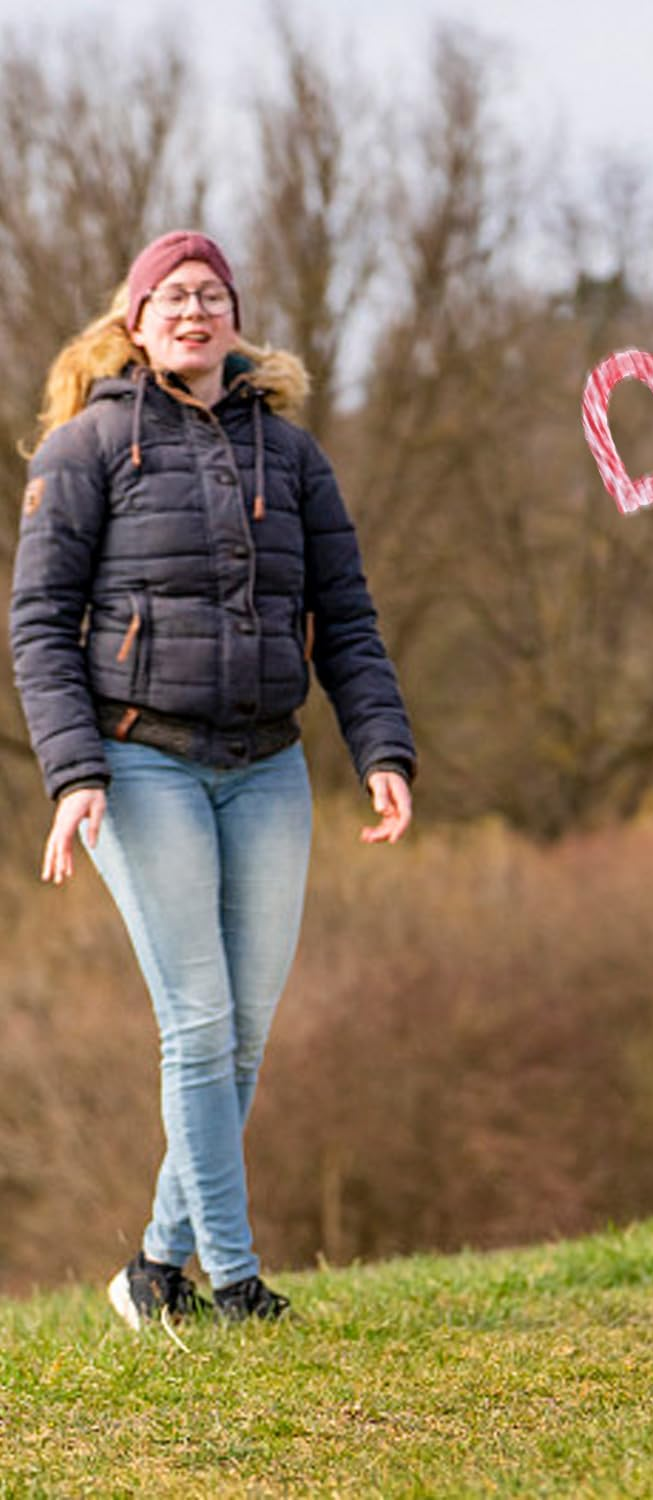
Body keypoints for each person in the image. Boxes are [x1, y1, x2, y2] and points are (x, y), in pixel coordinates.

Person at [9, 230, 416, 1326]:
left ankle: (153, 1270)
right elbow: (39, 627)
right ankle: (232, 1283)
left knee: (243, 1033)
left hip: (269, 766)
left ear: (235, 319)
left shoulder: (293, 456)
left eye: (212, 295)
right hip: (140, 761)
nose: (194, 311)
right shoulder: (86, 448)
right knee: (197, 1026)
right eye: (173, 298)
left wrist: (382, 748)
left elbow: (348, 619)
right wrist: (74, 773)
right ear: (135, 323)